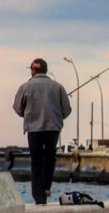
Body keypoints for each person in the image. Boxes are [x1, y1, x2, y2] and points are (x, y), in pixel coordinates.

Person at [12, 58, 71, 205]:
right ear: (46, 70)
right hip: (53, 129)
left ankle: (39, 196)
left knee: (36, 161)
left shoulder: (25, 87)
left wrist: (27, 115)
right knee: (50, 158)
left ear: (33, 70)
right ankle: (46, 187)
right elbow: (67, 109)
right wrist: (57, 117)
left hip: (34, 129)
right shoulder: (58, 87)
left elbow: (17, 108)